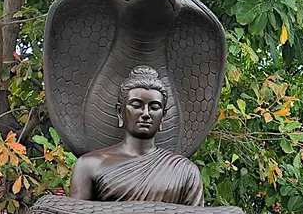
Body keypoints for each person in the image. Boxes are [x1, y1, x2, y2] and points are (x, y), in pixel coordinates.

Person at [69, 65, 204, 205]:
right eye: (136, 105)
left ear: (163, 116)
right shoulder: (90, 165)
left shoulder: (185, 171)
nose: (145, 113)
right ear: (120, 112)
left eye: (154, 107)